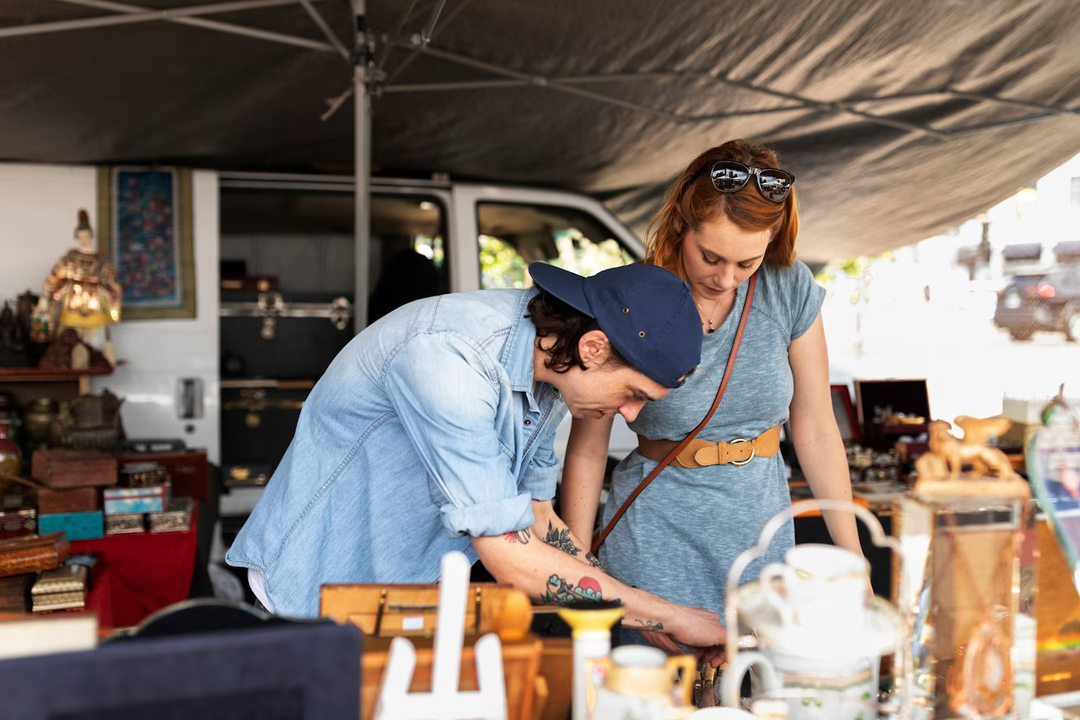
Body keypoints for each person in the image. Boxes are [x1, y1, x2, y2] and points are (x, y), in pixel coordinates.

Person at [226, 261, 726, 659]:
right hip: (313, 593)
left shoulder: (551, 367)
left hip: (400, 596)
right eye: (634, 393)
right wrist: (668, 614)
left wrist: (640, 613)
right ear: (594, 347)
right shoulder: (449, 359)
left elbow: (537, 517)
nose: (632, 414)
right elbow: (512, 559)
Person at [561, 139, 860, 653]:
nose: (726, 279)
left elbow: (815, 430)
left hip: (761, 540)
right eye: (711, 257)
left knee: (756, 686)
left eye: (747, 262)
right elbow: (588, 450)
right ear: (681, 223)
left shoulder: (789, 288)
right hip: (654, 542)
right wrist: (579, 573)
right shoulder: (634, 296)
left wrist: (854, 564)